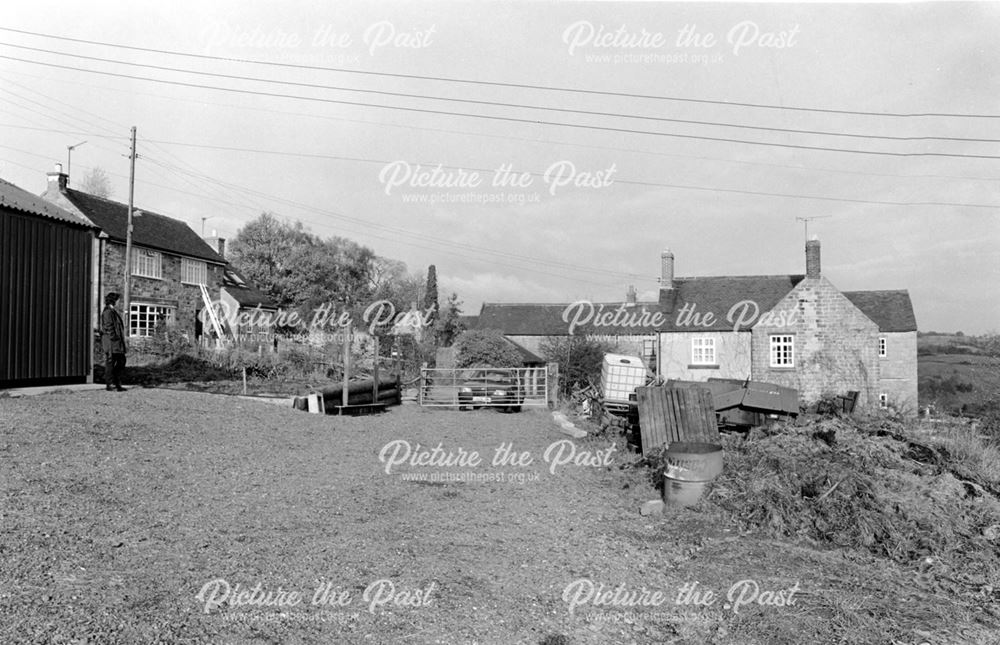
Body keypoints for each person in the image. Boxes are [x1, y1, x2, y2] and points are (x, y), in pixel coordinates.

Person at [101, 292, 128, 392]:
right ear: (114, 300)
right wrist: (114, 338)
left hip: (115, 342)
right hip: (111, 342)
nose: (119, 301)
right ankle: (110, 384)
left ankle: (116, 383)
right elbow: (108, 327)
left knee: (120, 361)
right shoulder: (108, 312)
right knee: (111, 363)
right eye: (118, 299)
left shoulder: (112, 311)